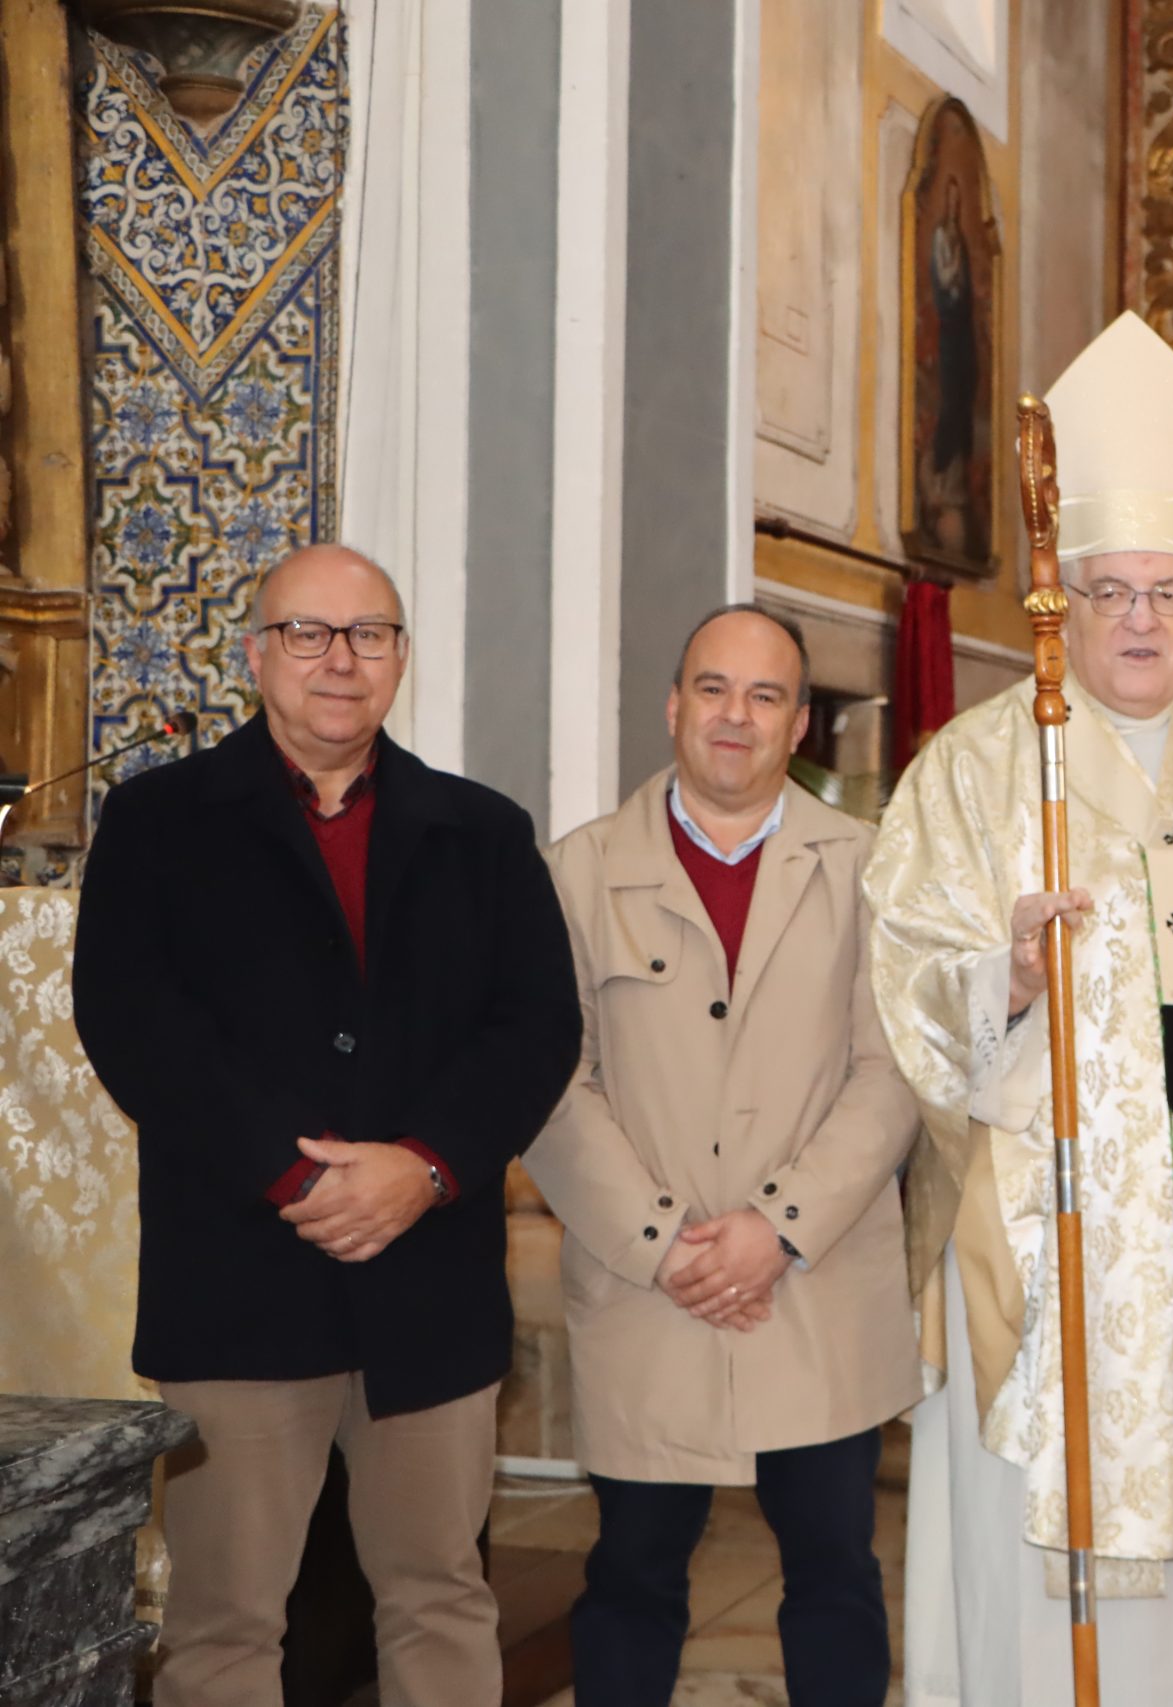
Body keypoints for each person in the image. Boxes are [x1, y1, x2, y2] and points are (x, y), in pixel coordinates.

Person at [868, 311, 1173, 1707]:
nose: (1141, 620)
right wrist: (1005, 977)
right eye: (1110, 591)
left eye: (1169, 591)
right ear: (1062, 600)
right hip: (1056, 1246)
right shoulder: (976, 773)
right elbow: (910, 979)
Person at [72, 544, 583, 1707]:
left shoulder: (483, 833)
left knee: (442, 1598)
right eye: (309, 633)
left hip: (430, 1282)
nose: (340, 661)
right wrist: (290, 1179)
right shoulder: (159, 823)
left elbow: (535, 1027)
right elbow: (135, 1022)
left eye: (370, 635)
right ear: (256, 655)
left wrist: (427, 1167)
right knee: (224, 1624)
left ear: (402, 659)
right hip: (242, 1279)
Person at [524, 605, 920, 1706]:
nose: (733, 717)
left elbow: (890, 1075)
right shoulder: (579, 871)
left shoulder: (870, 868)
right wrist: (667, 1248)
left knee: (836, 1576)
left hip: (815, 1288)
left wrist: (778, 1230)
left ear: (798, 724)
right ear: (673, 706)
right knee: (633, 1579)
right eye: (712, 689)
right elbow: (552, 1085)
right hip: (653, 1290)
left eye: (762, 697)